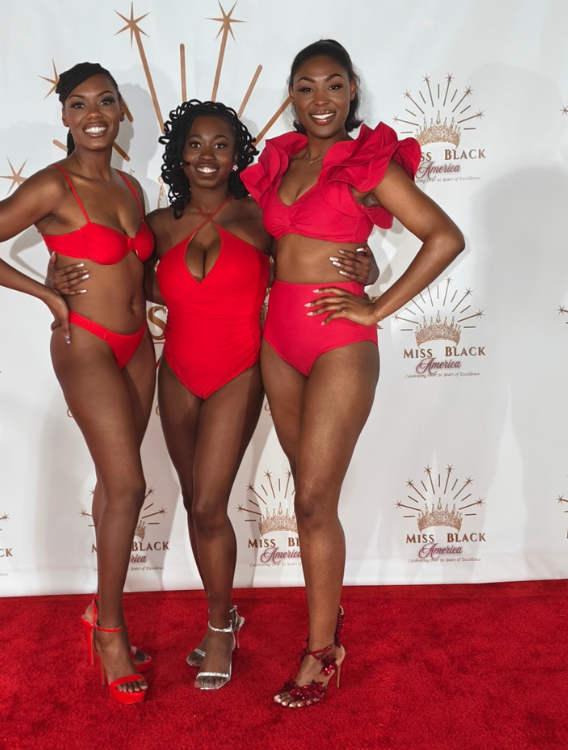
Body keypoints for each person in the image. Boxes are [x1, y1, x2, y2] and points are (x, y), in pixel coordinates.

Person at [53, 99, 378, 691]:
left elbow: (315, 256)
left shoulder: (262, 219)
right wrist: (59, 275)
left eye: (221, 145)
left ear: (239, 154)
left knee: (208, 506)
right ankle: (217, 616)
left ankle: (222, 628)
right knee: (193, 504)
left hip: (240, 372)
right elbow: (116, 275)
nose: (208, 156)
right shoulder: (155, 225)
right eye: (195, 145)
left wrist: (368, 268)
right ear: (179, 153)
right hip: (175, 372)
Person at [241, 39, 465, 707]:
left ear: (351, 94)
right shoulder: (279, 160)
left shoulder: (367, 162)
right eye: (306, 87)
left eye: (334, 86)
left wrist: (377, 303)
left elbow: (444, 236)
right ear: (291, 95)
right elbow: (267, 239)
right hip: (277, 340)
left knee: (311, 500)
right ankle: (326, 617)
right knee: (308, 498)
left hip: (339, 341)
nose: (320, 101)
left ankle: (322, 651)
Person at [0, 62, 154, 704]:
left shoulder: (129, 185)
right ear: (64, 116)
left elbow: (136, 267)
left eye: (106, 102)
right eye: (79, 103)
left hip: (139, 346)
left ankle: (100, 608)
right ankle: (111, 632)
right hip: (86, 344)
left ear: (122, 113)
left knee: (116, 485)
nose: (94, 113)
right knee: (128, 485)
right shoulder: (52, 186)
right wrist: (46, 295)